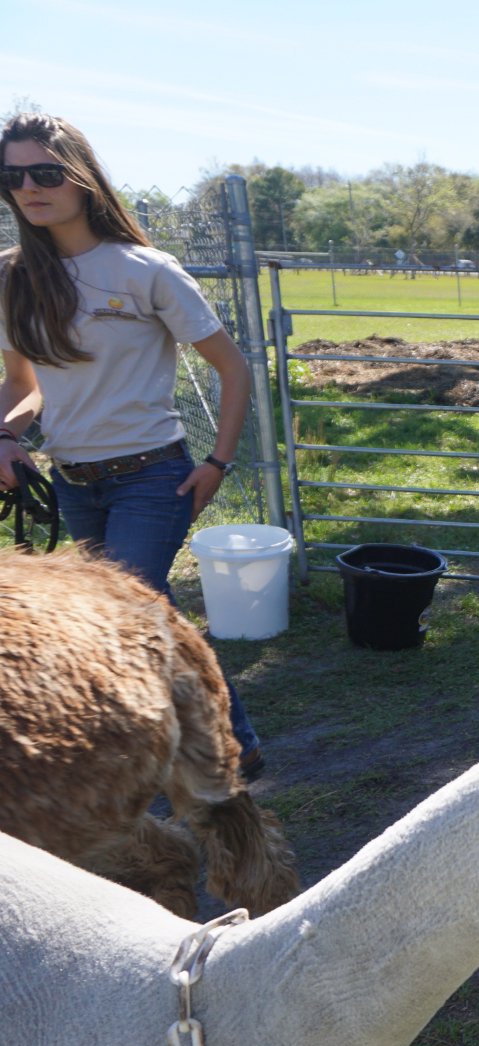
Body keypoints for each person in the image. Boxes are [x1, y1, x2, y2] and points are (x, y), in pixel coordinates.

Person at [0, 113, 265, 778]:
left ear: (83, 178)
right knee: (149, 614)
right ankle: (236, 739)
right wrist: (3, 435)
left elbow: (233, 368)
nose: (29, 187)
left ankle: (138, 766)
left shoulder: (146, 271)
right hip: (73, 482)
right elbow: (22, 385)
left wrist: (218, 462)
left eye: (46, 172)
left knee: (124, 612)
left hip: (154, 478)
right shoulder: (10, 278)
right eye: (13, 176)